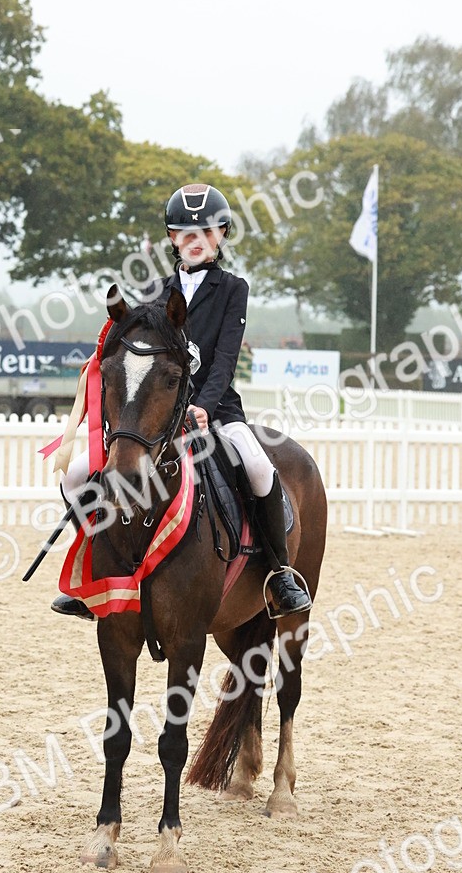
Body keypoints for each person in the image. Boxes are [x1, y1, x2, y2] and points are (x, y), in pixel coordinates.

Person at [50, 182, 312, 620]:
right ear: (172, 238)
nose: (195, 240)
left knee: (258, 466)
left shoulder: (233, 289)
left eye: (206, 232)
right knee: (77, 475)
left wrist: (205, 405)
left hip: (217, 408)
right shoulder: (154, 290)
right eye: (184, 232)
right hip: (159, 415)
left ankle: (278, 573)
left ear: (222, 234)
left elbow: (226, 359)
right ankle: (99, 568)